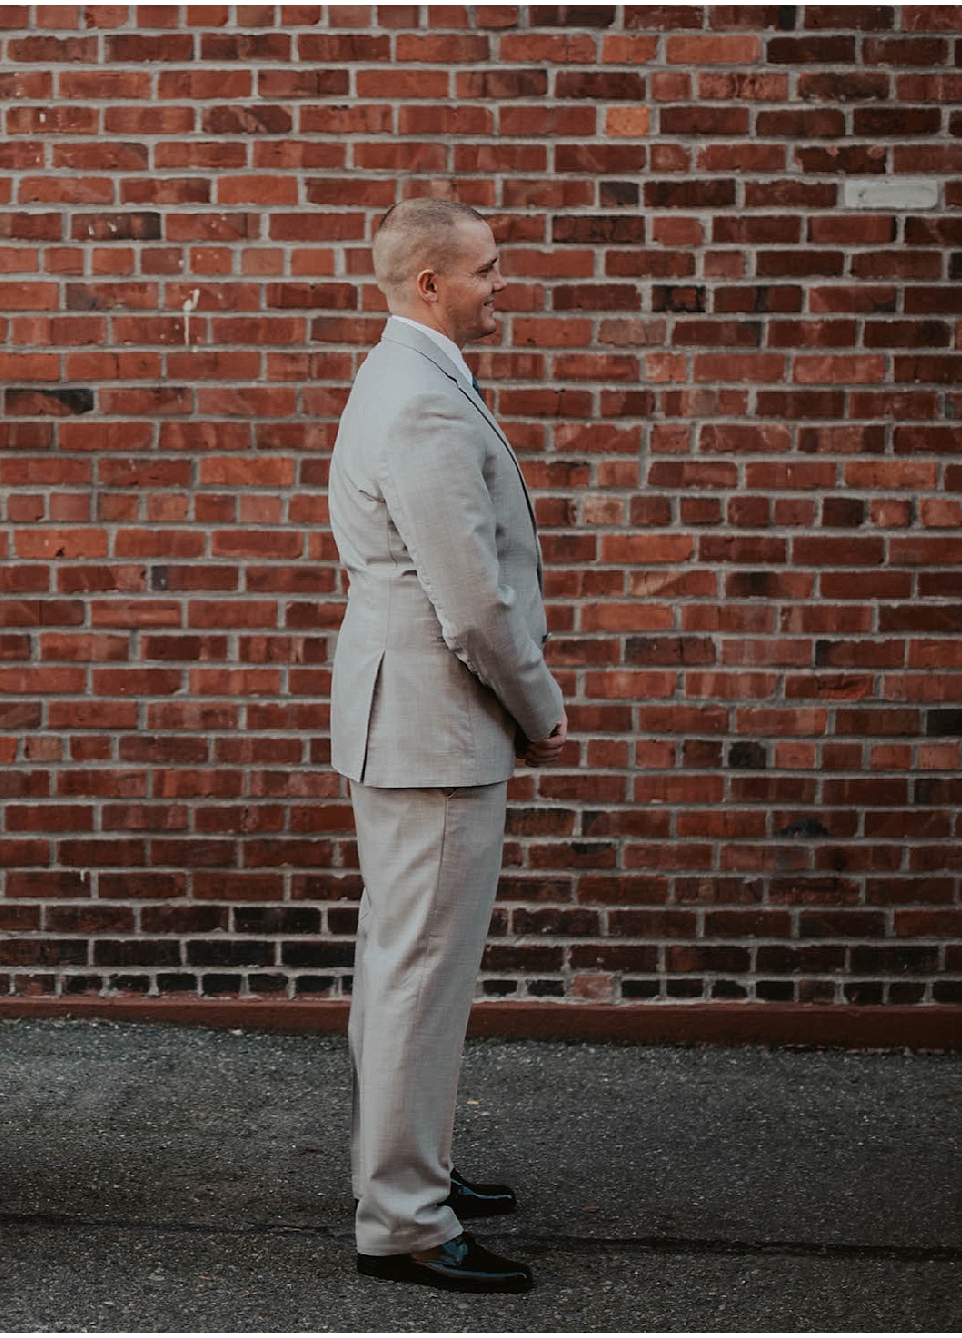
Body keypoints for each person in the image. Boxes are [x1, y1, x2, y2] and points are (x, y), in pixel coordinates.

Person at [326, 198, 567, 1294]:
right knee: (419, 974)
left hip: (409, 716)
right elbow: (469, 604)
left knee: (402, 964)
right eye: (484, 269)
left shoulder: (404, 372)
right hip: (435, 722)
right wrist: (539, 707)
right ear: (429, 281)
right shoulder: (419, 400)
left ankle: (410, 1167)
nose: (497, 283)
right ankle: (405, 1221)